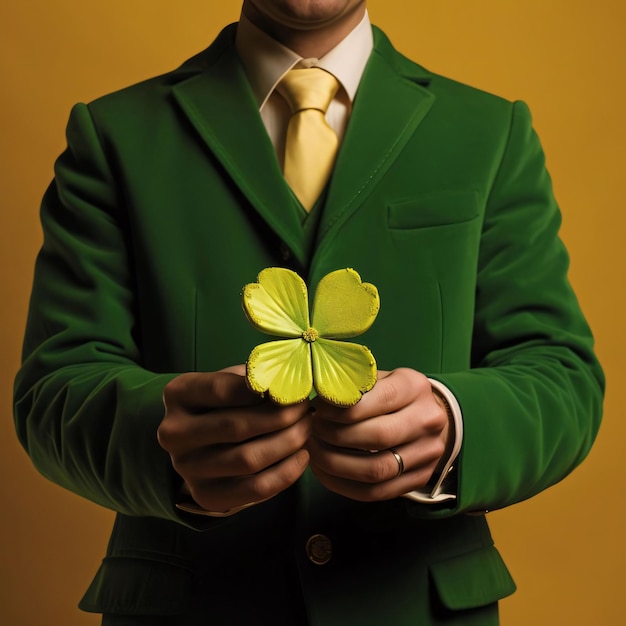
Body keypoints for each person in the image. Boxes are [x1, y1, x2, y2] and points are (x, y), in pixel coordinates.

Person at [13, 1, 604, 624]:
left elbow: (561, 374)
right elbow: (55, 387)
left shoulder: (490, 131)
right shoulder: (113, 134)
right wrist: (167, 445)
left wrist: (455, 428)